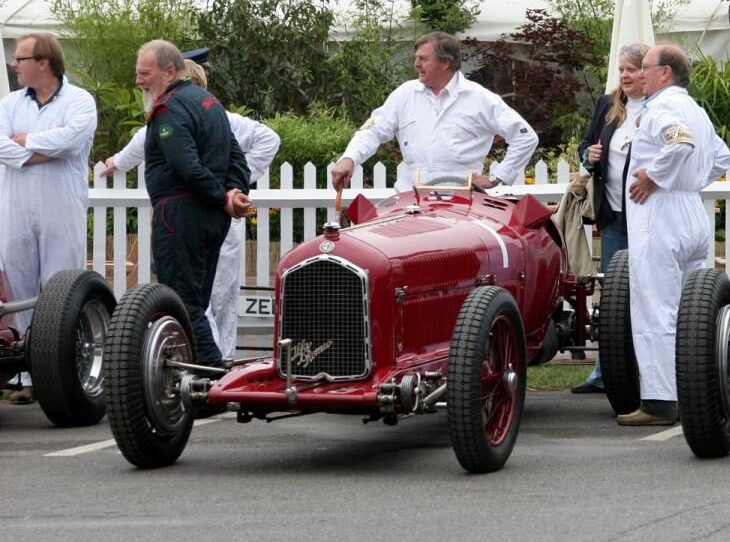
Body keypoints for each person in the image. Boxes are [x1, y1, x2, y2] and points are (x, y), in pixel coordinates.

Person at [100, 54, 280, 360]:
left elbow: (165, 158)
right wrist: (232, 187)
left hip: (200, 214)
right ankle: (220, 362)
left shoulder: (179, 114)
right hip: (220, 215)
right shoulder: (221, 117)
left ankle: (213, 365)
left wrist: (226, 188)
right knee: (215, 299)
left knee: (207, 299)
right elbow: (136, 149)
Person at [619, 44, 730, 426]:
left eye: (647, 68)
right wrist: (691, 181)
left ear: (664, 73)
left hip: (662, 214)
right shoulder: (695, 110)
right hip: (691, 210)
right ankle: (691, 391)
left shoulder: (662, 108)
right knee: (690, 312)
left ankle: (660, 399)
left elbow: (678, 142)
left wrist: (655, 176)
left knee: (655, 306)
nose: (642, 74)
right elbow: (722, 157)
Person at [136, 40, 251, 370]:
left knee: (182, 302)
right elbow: (236, 159)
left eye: (144, 73)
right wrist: (233, 194)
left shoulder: (168, 109)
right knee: (196, 301)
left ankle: (210, 379)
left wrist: (223, 197)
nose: (139, 80)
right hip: (212, 219)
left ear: (169, 71)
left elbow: (186, 166)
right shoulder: (209, 102)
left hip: (180, 216)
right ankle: (200, 379)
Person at [0, 33, 97, 405]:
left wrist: (24, 142)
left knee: (61, 289)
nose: (15, 65)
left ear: (43, 62)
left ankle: (62, 372)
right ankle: (26, 376)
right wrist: (39, 148)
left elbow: (72, 141)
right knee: (21, 290)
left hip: (60, 204)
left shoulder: (80, 100)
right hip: (16, 206)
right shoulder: (10, 102)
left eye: (20, 58)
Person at [331, 32, 538, 193]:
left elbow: (525, 137)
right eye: (416, 58)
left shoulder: (481, 99)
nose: (416, 64)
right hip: (409, 202)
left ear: (445, 62)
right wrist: (349, 158)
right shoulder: (404, 94)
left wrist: (497, 177)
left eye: (423, 59)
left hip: (463, 205)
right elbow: (372, 131)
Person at [570, 43, 649, 395]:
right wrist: (591, 154)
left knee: (649, 291)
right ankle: (604, 373)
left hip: (649, 216)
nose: (625, 75)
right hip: (614, 214)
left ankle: (651, 372)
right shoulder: (607, 105)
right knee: (614, 293)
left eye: (631, 69)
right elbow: (585, 147)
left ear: (648, 72)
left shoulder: (659, 107)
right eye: (621, 70)